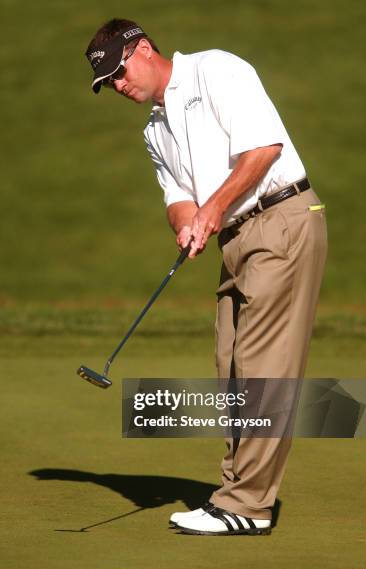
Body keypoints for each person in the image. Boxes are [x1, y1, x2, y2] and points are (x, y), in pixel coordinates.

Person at [85, 19, 327, 536]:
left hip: (281, 216)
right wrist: (187, 225)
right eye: (109, 84)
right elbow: (178, 200)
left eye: (119, 72)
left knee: (263, 367)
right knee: (231, 365)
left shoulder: (215, 70)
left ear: (144, 49)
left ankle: (247, 506)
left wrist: (212, 208)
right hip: (236, 238)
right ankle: (233, 494)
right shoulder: (154, 130)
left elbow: (263, 150)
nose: (119, 86)